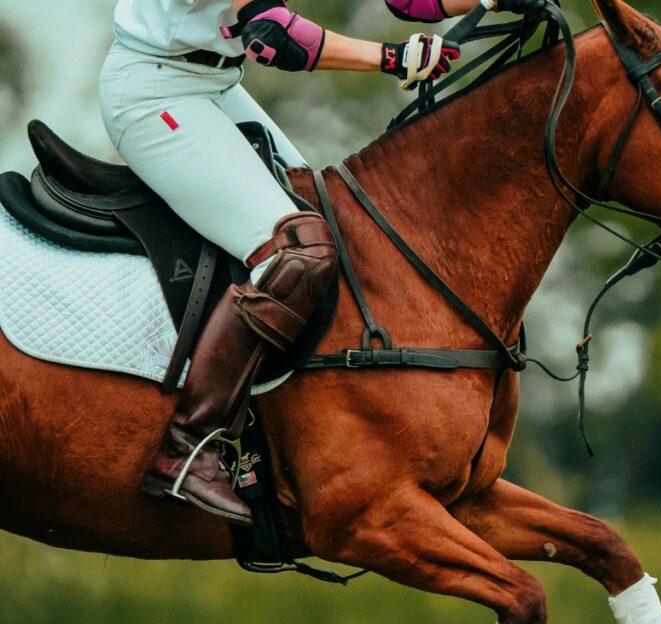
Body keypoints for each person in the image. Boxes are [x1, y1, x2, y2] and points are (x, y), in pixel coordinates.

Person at [98, 0, 504, 526]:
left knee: (329, 223)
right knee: (296, 251)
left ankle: (272, 445)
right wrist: (391, 57)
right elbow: (275, 37)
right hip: (154, 94)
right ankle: (186, 448)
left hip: (215, 84)